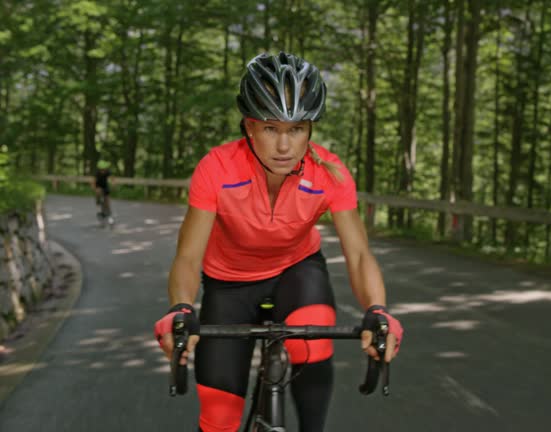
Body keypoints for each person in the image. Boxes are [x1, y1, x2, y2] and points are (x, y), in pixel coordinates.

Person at [153, 52, 404, 432]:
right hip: (229, 283)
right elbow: (188, 256)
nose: (284, 145)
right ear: (249, 126)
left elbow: (358, 254)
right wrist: (182, 309)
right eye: (271, 129)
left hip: (296, 271)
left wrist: (379, 310)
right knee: (218, 418)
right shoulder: (217, 168)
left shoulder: (329, 172)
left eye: (297, 128)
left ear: (310, 130)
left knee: (312, 341)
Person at [91, 160, 113, 225]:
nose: (103, 171)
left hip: (105, 186)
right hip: (98, 186)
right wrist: (94, 188)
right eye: (101, 169)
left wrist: (113, 184)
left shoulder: (108, 172)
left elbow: (112, 179)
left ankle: (108, 214)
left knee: (107, 201)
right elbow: (93, 182)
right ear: (99, 169)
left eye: (104, 169)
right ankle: (98, 200)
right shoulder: (97, 173)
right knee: (99, 191)